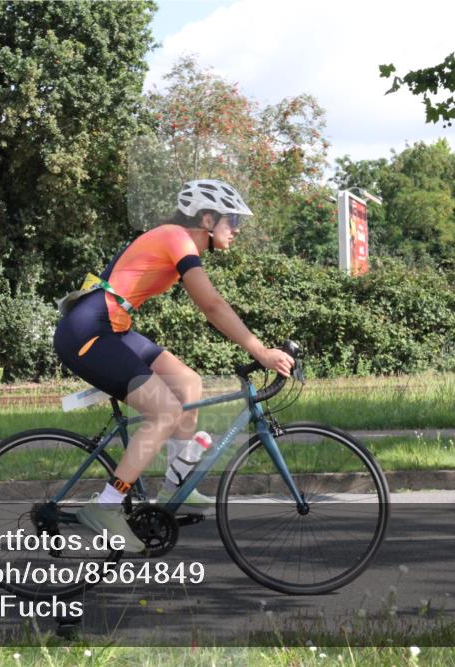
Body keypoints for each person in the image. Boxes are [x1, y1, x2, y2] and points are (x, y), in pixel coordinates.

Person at [53, 179, 295, 552]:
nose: (237, 229)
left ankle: (175, 485)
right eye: (232, 220)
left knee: (187, 383)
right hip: (89, 331)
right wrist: (261, 352)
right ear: (207, 219)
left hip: (113, 327)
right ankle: (106, 506)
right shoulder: (176, 238)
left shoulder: (174, 240)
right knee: (165, 411)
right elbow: (212, 305)